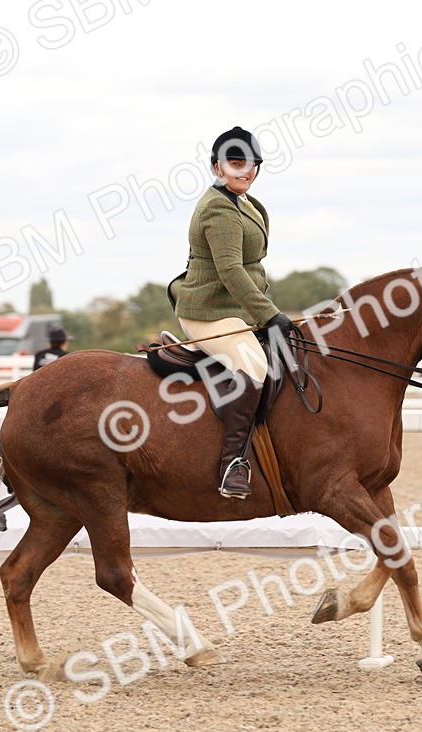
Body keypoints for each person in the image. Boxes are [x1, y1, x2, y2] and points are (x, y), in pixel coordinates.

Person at [166, 126, 299, 500]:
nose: (246, 171)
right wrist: (271, 314)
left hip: (239, 311)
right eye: (237, 163)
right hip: (208, 312)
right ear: (217, 167)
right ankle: (232, 465)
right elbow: (231, 271)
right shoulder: (217, 209)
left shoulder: (248, 204)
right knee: (254, 366)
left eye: (253, 164)